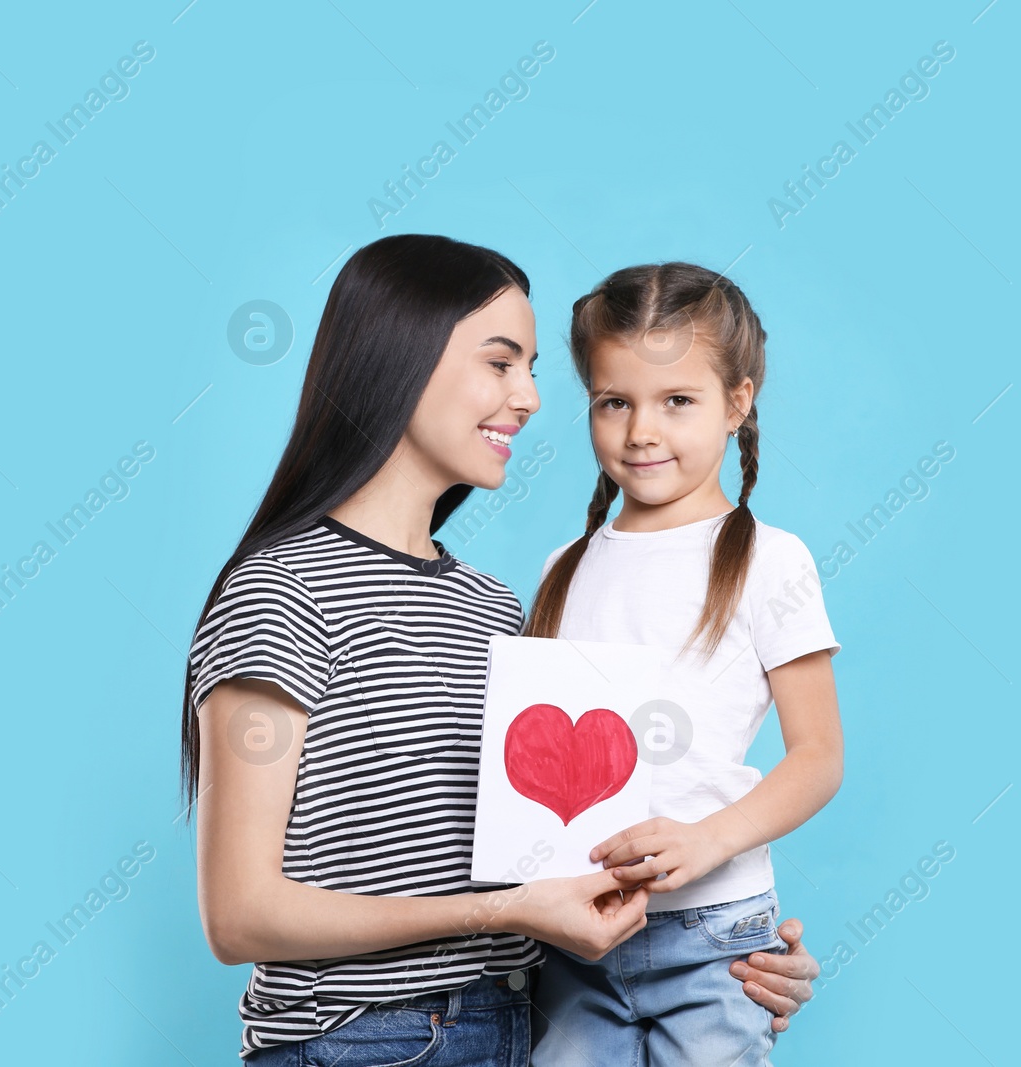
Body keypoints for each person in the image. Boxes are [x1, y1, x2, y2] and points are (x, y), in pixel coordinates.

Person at [184, 235, 821, 1064]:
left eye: (529, 367)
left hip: (518, 1020)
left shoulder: (493, 607)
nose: (528, 396)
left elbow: (544, 847)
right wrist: (507, 914)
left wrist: (731, 955)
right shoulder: (285, 591)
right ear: (399, 357)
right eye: (500, 362)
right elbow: (239, 914)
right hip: (365, 1041)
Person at [523, 263, 844, 1066]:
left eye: (677, 401)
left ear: (738, 401)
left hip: (714, 930)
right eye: (614, 401)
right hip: (578, 931)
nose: (641, 431)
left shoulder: (771, 560)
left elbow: (819, 756)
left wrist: (709, 840)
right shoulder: (564, 564)